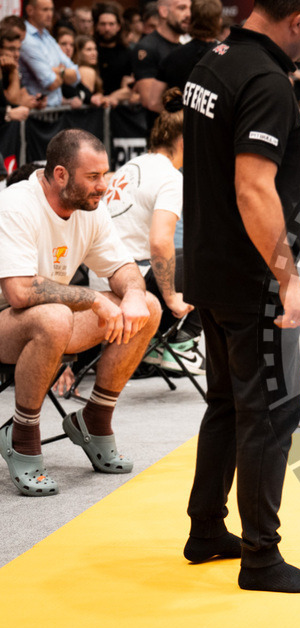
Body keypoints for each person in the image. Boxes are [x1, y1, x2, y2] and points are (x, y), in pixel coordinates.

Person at [181, 0, 300, 592]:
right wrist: (287, 277)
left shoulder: (210, 62)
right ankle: (262, 559)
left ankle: (205, 530)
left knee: (226, 402)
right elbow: (252, 187)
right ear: (297, 19)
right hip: (250, 279)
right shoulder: (267, 79)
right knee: (271, 413)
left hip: (210, 267)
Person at [0, 129, 161, 496]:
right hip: (6, 320)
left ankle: (94, 420)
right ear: (60, 175)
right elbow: (19, 291)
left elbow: (123, 267)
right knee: (55, 316)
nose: (103, 186)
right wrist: (92, 299)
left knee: (148, 307)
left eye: (104, 174)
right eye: (93, 177)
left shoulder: (90, 208)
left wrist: (134, 293)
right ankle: (21, 433)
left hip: (50, 321)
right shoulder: (16, 204)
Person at [104, 88, 203, 373]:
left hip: (106, 276)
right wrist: (171, 297)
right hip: (129, 281)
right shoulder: (171, 177)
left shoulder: (131, 165)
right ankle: (178, 343)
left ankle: (158, 344)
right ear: (184, 142)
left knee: (191, 254)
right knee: (214, 256)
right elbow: (160, 242)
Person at [132, 0, 190, 115]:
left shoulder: (184, 48)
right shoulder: (147, 47)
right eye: (181, 8)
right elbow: (150, 101)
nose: (188, 14)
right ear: (164, 12)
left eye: (190, 8)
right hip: (160, 129)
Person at [19, 0, 81, 108]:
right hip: (36, 114)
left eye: (51, 9)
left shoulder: (47, 36)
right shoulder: (26, 38)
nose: (50, 14)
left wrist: (56, 70)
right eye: (45, 10)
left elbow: (76, 75)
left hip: (54, 112)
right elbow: (50, 82)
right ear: (30, 10)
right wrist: (63, 72)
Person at [157, 0, 221, 92]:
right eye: (182, 8)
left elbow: (153, 102)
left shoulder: (173, 56)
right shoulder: (226, 57)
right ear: (219, 21)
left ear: (192, 20)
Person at [93, 3, 135, 100]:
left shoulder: (128, 53)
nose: (107, 29)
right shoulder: (91, 50)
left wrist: (112, 98)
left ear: (118, 27)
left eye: (111, 24)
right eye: (103, 24)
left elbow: (131, 86)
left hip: (119, 109)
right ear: (96, 26)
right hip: (93, 107)